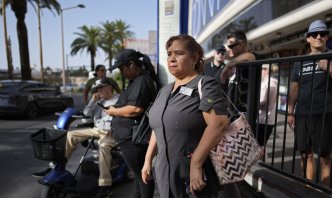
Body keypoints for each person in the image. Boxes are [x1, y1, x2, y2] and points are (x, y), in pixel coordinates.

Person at [141, 34, 230, 198]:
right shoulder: (164, 91)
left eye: (178, 53)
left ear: (194, 58)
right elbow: (158, 127)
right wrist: (148, 161)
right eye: (169, 54)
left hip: (192, 172)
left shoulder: (205, 84)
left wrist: (196, 164)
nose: (172, 59)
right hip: (164, 170)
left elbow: (218, 123)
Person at [287, 20, 332, 186]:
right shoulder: (300, 62)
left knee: (325, 157)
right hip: (302, 114)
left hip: (325, 113)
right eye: (314, 34)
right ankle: (309, 189)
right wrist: (290, 111)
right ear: (308, 38)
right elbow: (294, 89)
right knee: (305, 154)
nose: (319, 36)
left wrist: (331, 68)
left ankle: (326, 193)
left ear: (326, 38)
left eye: (323, 34)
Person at [35, 77, 120, 198]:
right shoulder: (97, 102)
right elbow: (86, 119)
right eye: (97, 88)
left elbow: (124, 118)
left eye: (101, 87)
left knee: (104, 145)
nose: (98, 90)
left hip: (111, 133)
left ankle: (105, 186)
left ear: (110, 87)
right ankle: (57, 168)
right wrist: (91, 102)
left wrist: (114, 128)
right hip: (96, 130)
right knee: (70, 135)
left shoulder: (119, 99)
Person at [106, 49, 157, 198]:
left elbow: (135, 109)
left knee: (143, 174)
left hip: (132, 137)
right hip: (128, 136)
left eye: (122, 68)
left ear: (132, 65)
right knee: (138, 173)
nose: (121, 72)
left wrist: (113, 112)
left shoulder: (142, 81)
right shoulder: (136, 81)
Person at [258, 64, 278, 147]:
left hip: (266, 119)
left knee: (260, 146)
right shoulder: (263, 82)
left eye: (262, 68)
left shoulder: (272, 83)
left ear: (268, 70)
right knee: (257, 146)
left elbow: (265, 102)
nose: (260, 70)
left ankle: (261, 160)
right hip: (260, 118)